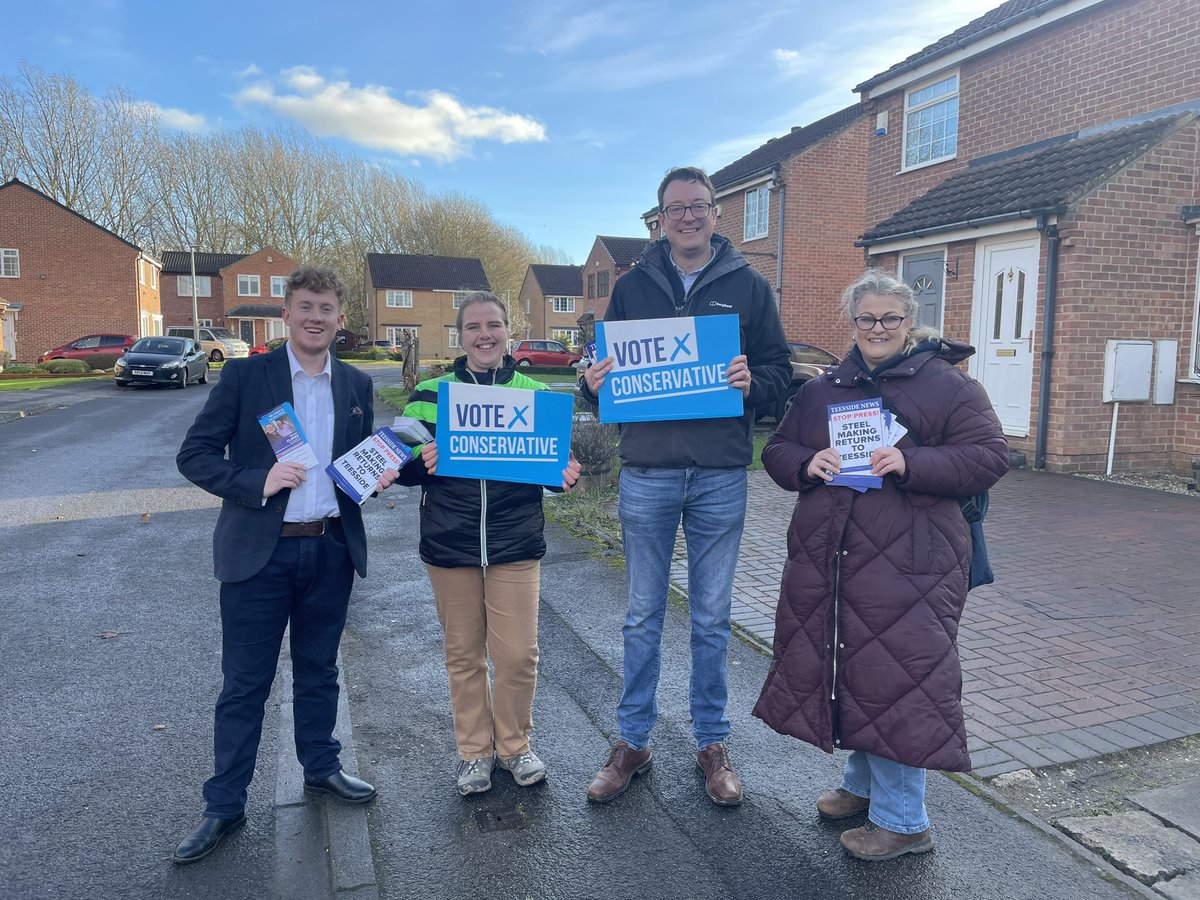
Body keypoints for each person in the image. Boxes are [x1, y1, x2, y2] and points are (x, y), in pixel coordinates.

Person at [753, 268, 1009, 860]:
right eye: (866, 318)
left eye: (889, 318)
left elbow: (989, 457)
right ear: (852, 322)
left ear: (908, 322)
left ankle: (904, 822)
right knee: (852, 665)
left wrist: (909, 462)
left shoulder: (947, 385)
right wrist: (806, 462)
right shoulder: (823, 389)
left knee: (899, 680)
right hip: (834, 557)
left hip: (912, 563)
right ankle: (863, 787)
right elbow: (776, 448)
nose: (877, 328)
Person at [579, 166, 791, 806]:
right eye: (677, 208)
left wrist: (755, 383)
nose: (689, 216)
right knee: (642, 615)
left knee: (711, 618)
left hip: (721, 473)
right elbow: (597, 373)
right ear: (660, 218)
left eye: (699, 206)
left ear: (716, 213)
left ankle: (711, 742)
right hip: (647, 470)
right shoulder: (632, 287)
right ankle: (632, 740)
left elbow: (782, 373)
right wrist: (592, 381)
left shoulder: (749, 287)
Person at [173, 266, 397, 865]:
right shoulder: (248, 376)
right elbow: (193, 455)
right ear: (287, 315)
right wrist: (256, 480)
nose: (316, 317)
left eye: (326, 307)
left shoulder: (354, 385)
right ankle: (223, 805)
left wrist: (373, 476)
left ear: (340, 318)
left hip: (330, 549)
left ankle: (321, 769)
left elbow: (352, 466)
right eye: (305, 306)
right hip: (259, 553)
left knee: (319, 672)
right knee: (245, 685)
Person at [396, 291, 581, 796]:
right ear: (460, 335)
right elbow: (401, 468)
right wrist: (419, 464)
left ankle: (515, 746)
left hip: (515, 542)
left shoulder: (534, 391)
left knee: (519, 655)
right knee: (463, 655)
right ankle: (474, 753)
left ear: (507, 331)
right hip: (449, 543)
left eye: (494, 325)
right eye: (474, 326)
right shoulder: (430, 393)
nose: (485, 334)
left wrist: (564, 475)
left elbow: (548, 467)